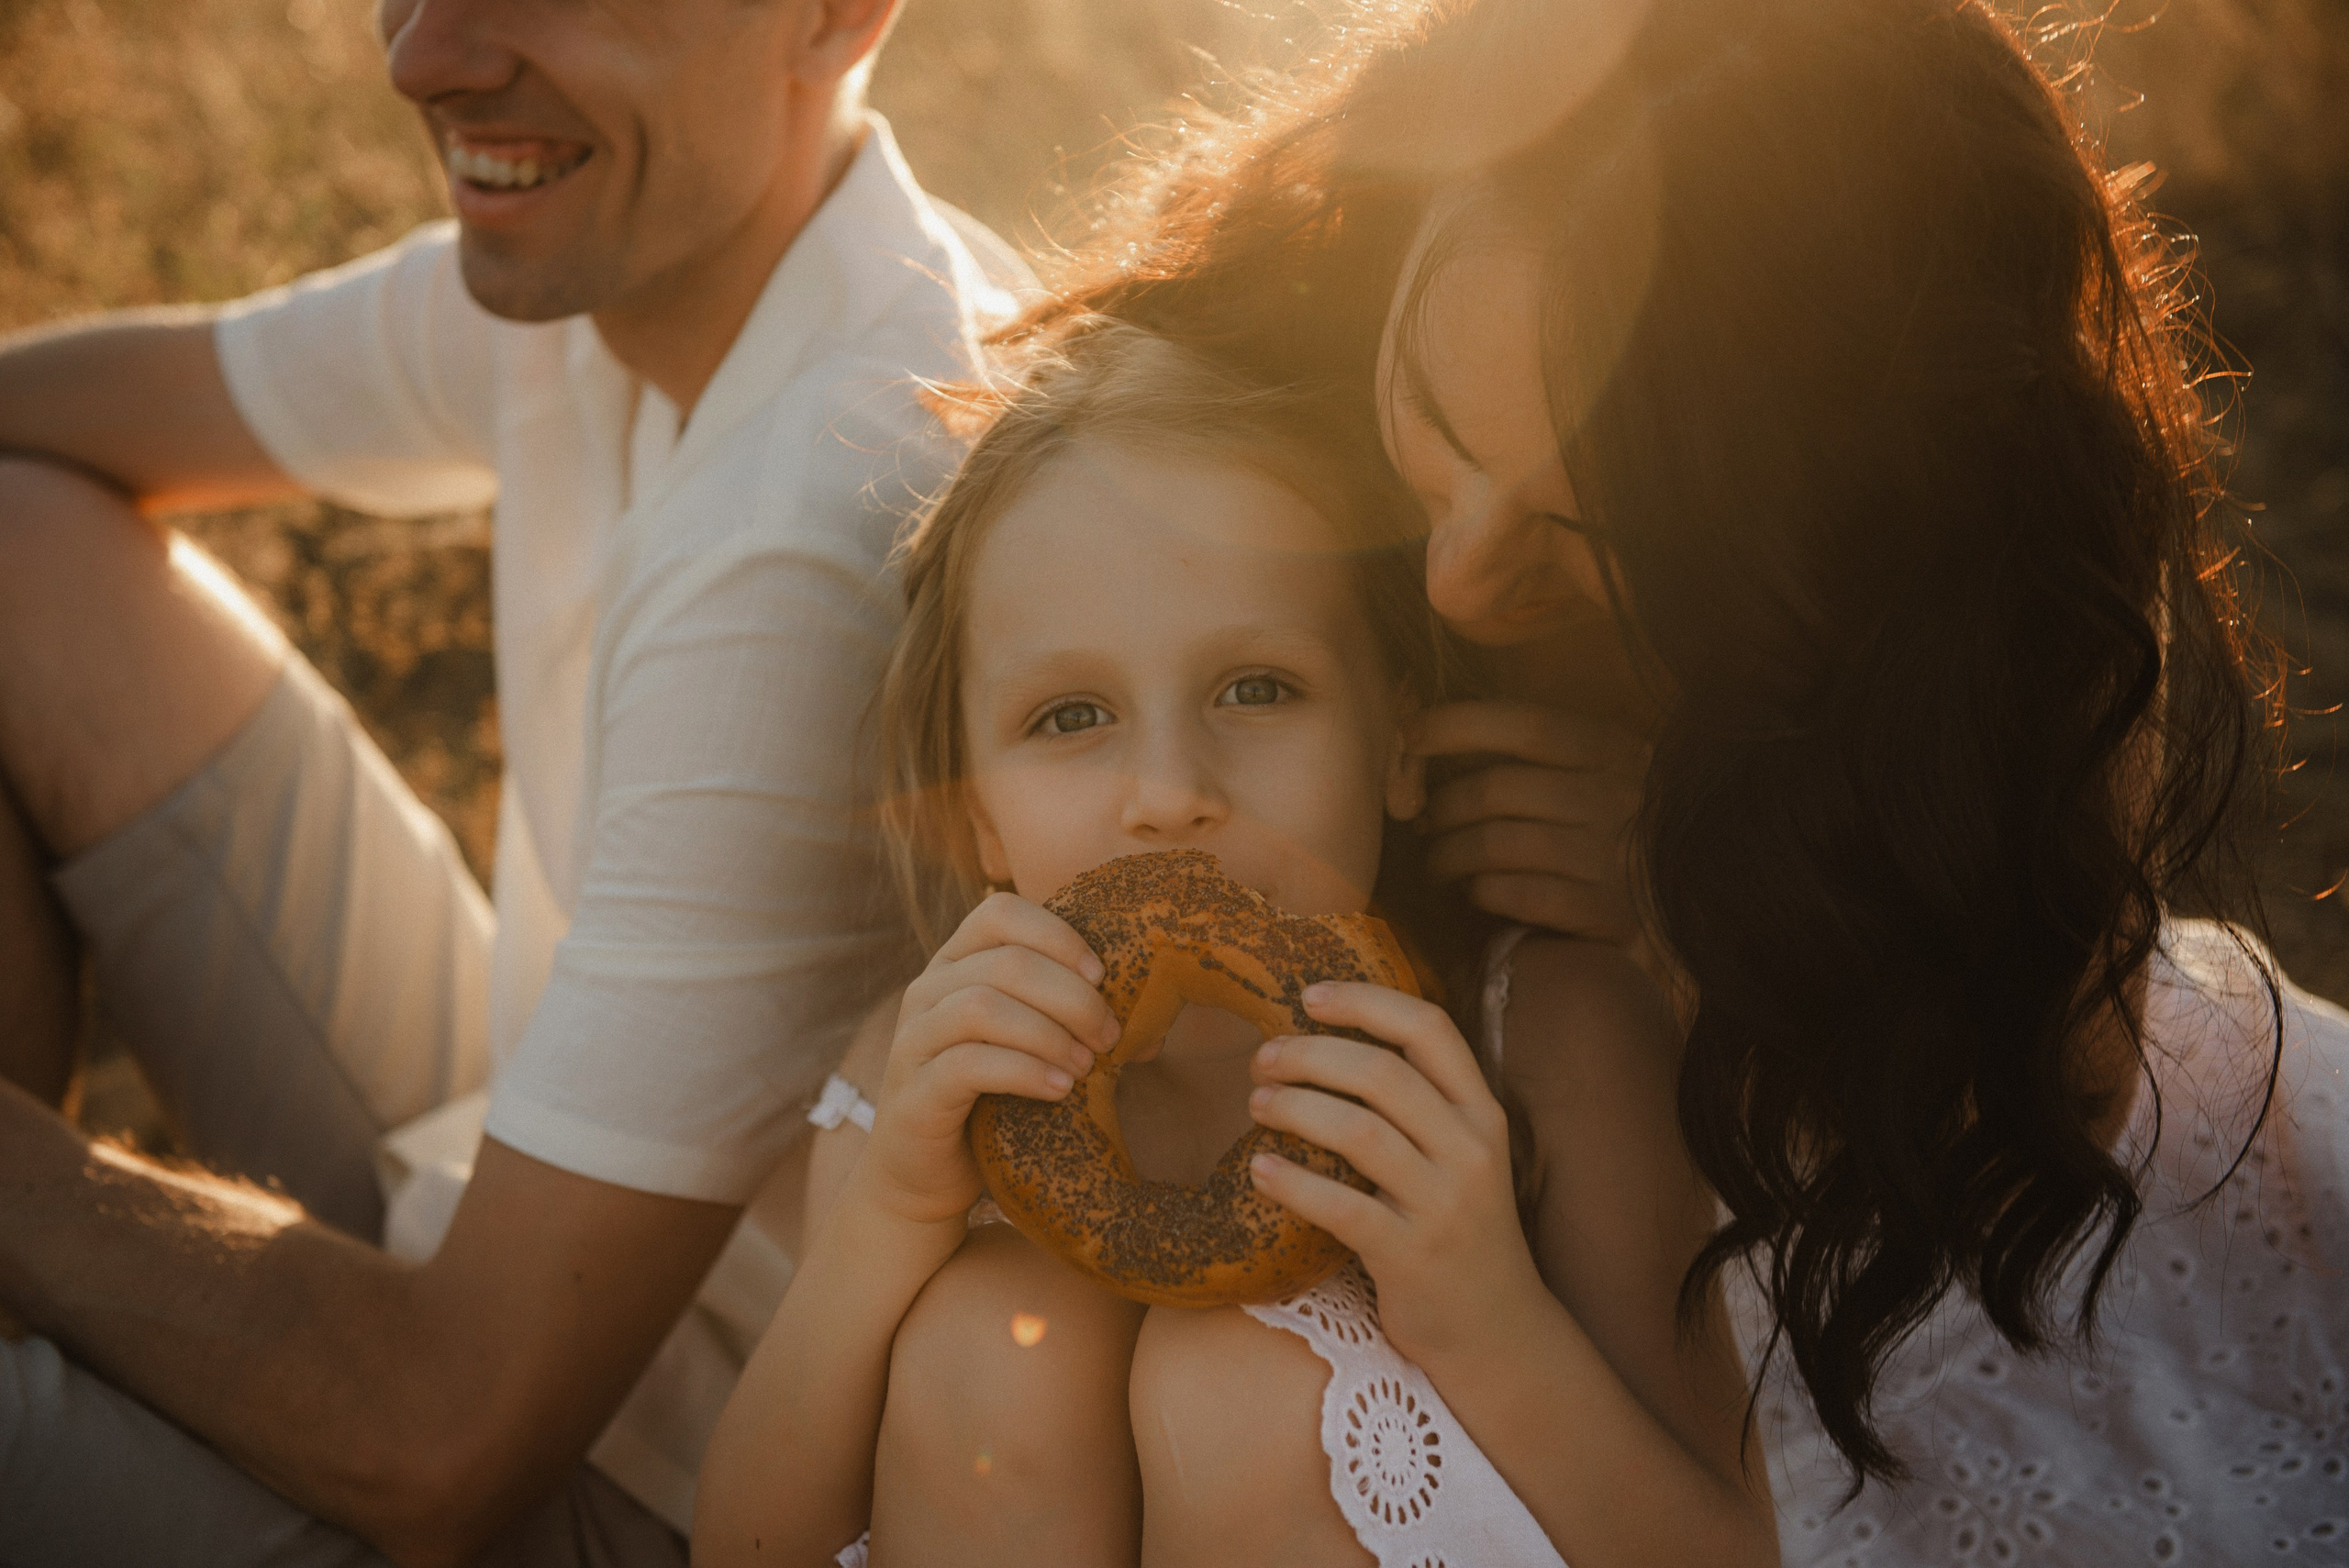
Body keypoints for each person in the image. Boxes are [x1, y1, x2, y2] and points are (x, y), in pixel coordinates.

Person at [997, 0, 2349, 1560]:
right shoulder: (1329, 285)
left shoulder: (1998, 578)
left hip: (1878, 1200)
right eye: (1437, 439)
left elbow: (2068, 1081)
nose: (1454, 576)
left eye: (1586, 535)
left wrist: (1698, 905)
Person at [0, 0, 1025, 1562]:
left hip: (658, 1479)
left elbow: (446, 1437)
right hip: (514, 1218)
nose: (423, 57)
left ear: (833, 17)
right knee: (23, 553)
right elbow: (96, 407)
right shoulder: (641, 249)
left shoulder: (817, 518)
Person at [691, 321, 1778, 1567]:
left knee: (1245, 1377)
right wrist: (891, 1211)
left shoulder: (1541, 1035)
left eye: (1256, 687)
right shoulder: (933, 1076)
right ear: (979, 812)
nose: (1170, 791)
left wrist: (1483, 1316)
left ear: (1397, 742)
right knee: (992, 1340)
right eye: (1071, 715)